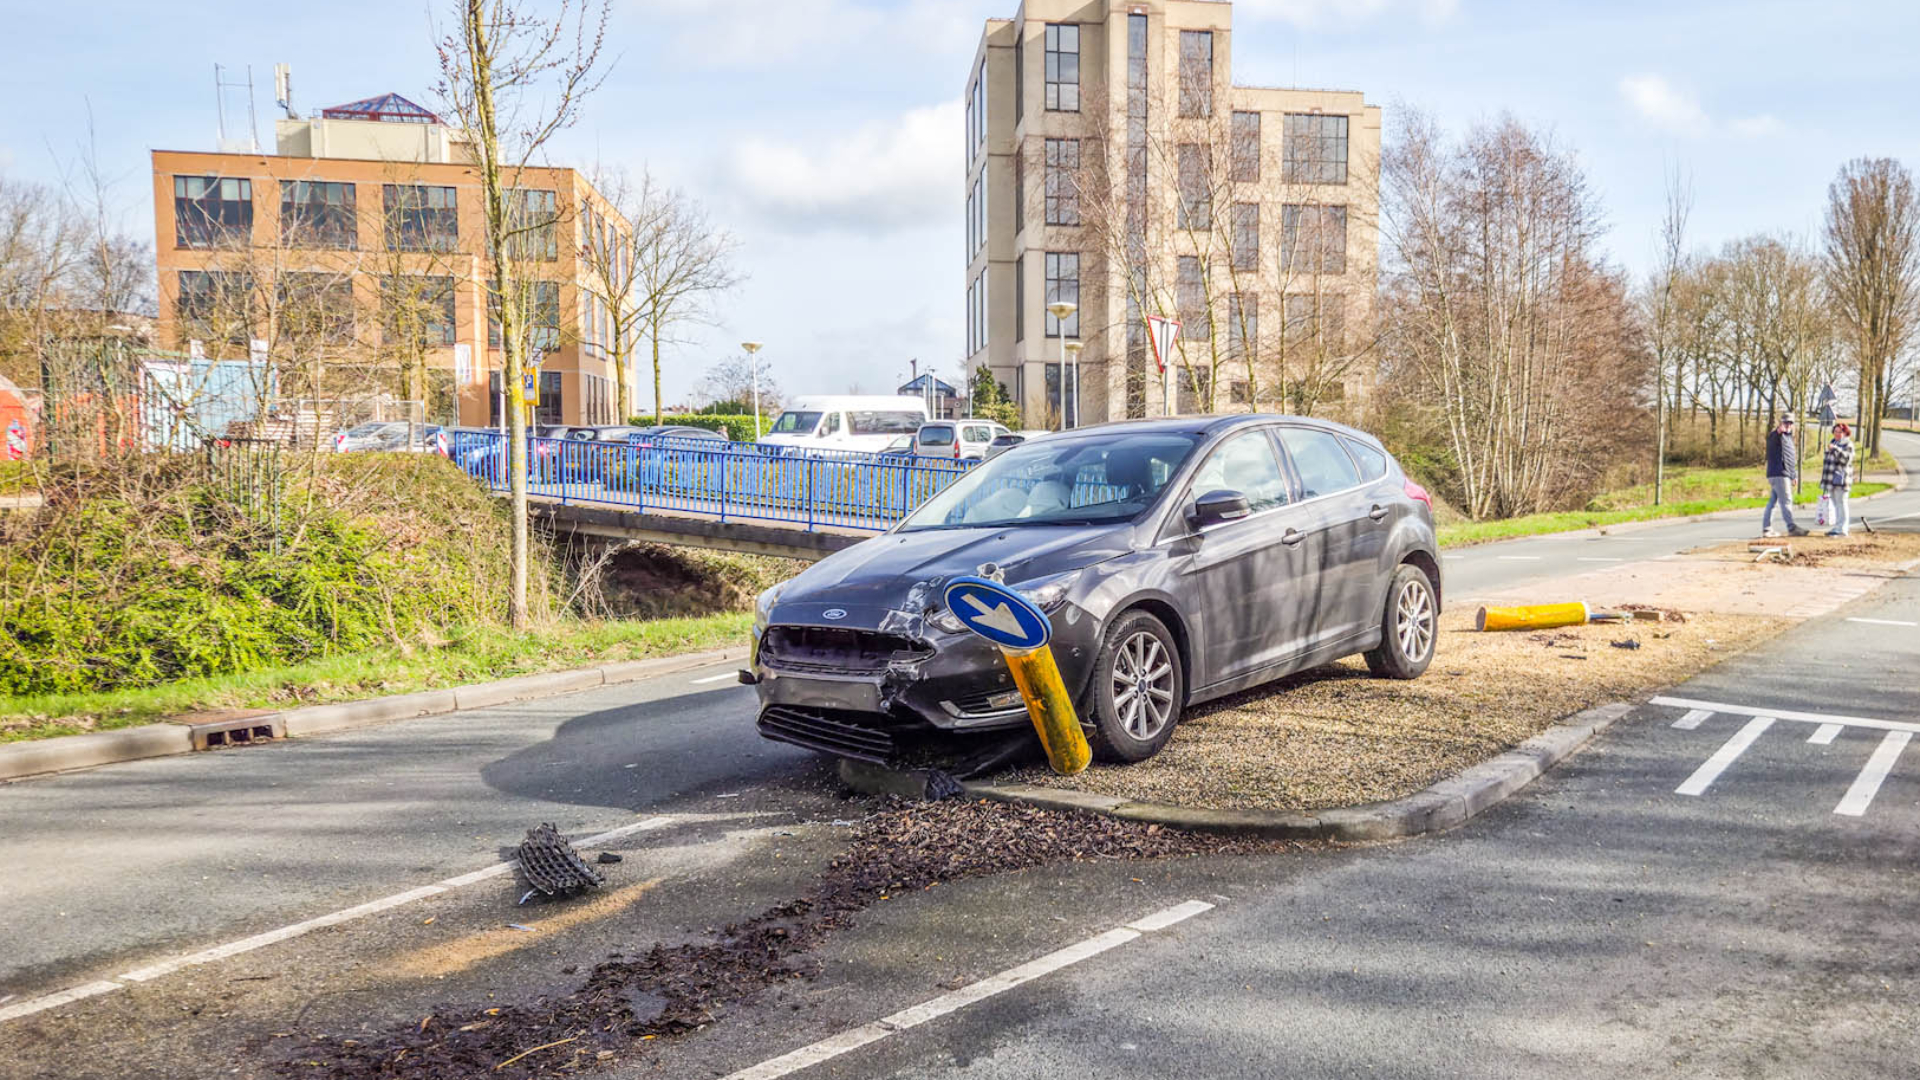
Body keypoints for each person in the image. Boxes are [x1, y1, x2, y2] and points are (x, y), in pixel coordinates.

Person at [1762, 415, 1809, 538]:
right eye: (1785, 423)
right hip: (1779, 474)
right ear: (1781, 423)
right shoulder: (1776, 436)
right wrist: (1778, 431)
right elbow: (1772, 440)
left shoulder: (1789, 438)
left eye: (1790, 423)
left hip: (1781, 474)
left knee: (1773, 502)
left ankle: (1767, 529)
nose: (1788, 425)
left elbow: (1789, 458)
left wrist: (1793, 475)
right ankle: (1791, 527)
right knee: (1786, 501)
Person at [1822, 422, 1855, 537]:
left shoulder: (1848, 444)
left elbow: (1846, 459)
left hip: (1842, 479)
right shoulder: (1832, 442)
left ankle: (1843, 529)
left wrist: (1836, 449)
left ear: (1845, 433)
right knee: (1836, 504)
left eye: (1840, 432)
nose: (1837, 434)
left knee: (1842, 503)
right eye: (1835, 431)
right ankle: (1838, 526)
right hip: (1831, 479)